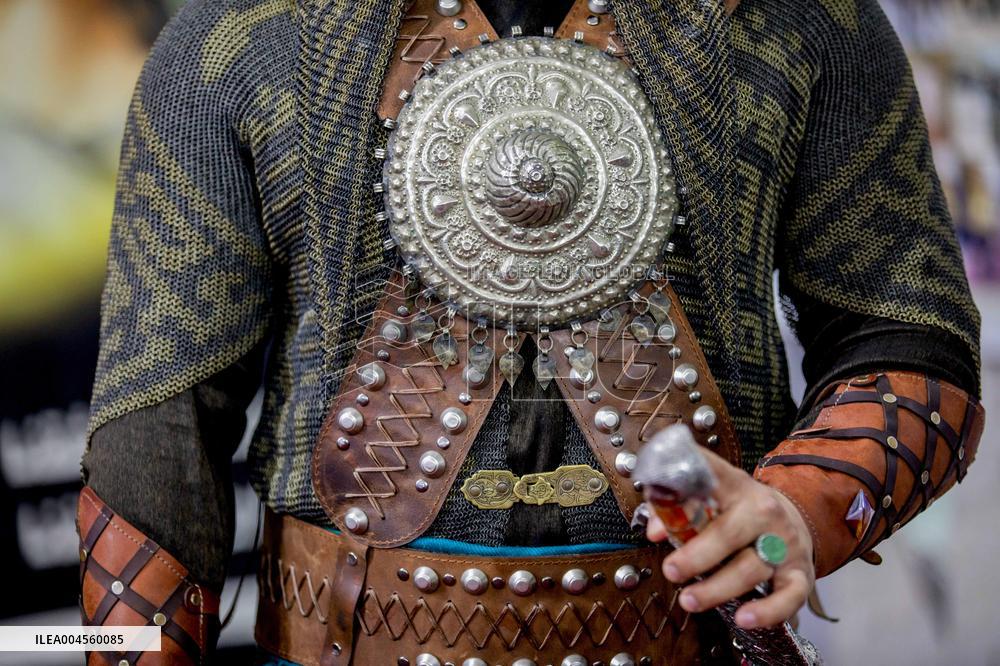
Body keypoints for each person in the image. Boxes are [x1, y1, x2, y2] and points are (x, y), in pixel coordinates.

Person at [75, 0, 985, 664]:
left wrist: (796, 516)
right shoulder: (238, 34)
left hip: (702, 644)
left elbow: (910, 340)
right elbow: (160, 433)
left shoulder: (802, 18)